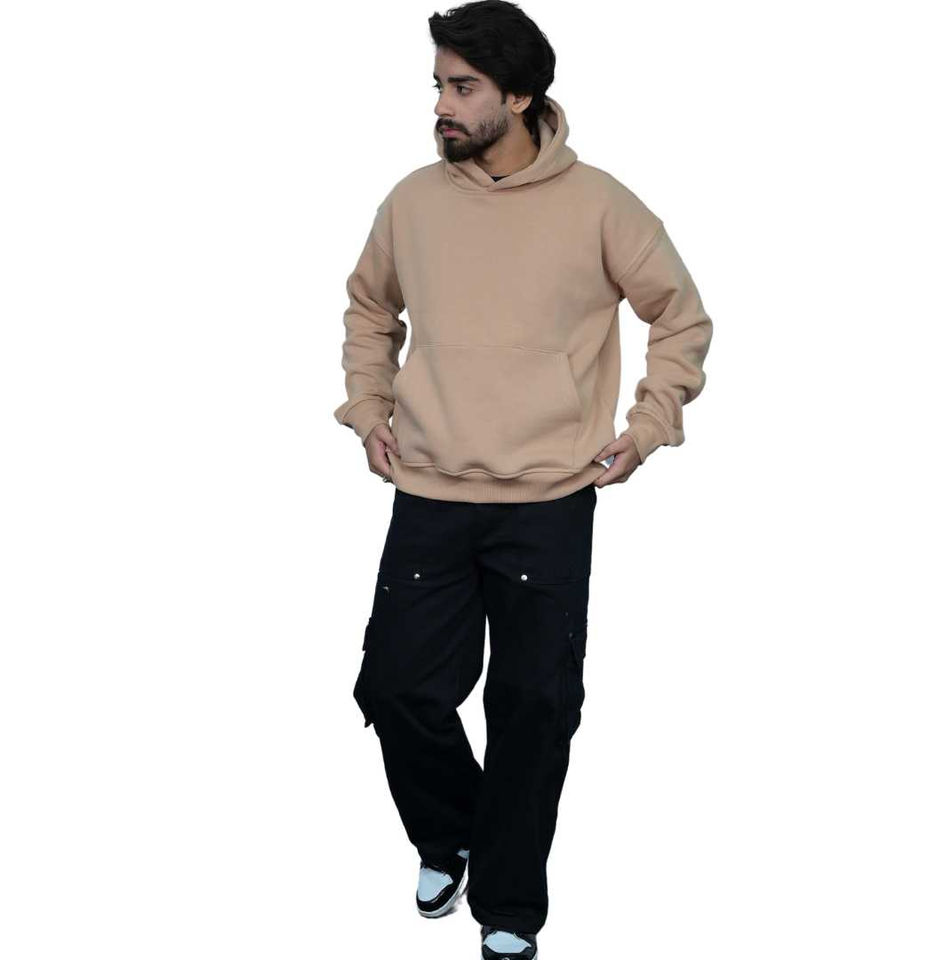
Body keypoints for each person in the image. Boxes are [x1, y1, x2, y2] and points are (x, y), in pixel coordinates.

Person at [333, 2, 713, 956]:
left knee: (534, 710)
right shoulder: (413, 202)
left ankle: (508, 903)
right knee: (396, 690)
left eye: (462, 88)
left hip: (548, 500)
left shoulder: (601, 205)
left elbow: (681, 317)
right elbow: (369, 308)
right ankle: (453, 834)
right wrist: (367, 408)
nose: (441, 105)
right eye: (437, 85)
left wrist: (648, 427)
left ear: (520, 96)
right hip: (430, 490)